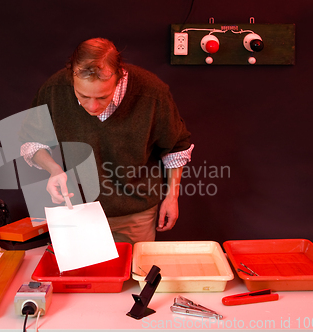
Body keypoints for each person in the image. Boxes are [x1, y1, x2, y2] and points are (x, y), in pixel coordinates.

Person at [20, 37, 194, 244]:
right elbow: (31, 143)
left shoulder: (152, 92)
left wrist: (172, 197)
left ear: (119, 76)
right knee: (82, 276)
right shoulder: (53, 90)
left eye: (102, 97)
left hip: (135, 215)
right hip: (77, 212)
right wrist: (54, 169)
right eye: (82, 96)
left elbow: (175, 149)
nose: (92, 107)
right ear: (72, 77)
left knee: (134, 274)